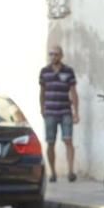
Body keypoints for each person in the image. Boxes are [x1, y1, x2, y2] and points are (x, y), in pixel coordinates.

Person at [38, 45, 79, 182]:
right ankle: (53, 172)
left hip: (65, 111)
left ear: (61, 56)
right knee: (50, 142)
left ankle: (71, 171)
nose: (53, 57)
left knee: (68, 140)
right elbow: (42, 92)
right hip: (50, 111)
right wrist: (42, 108)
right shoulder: (44, 72)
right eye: (51, 54)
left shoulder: (68, 71)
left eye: (56, 54)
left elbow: (73, 92)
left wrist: (76, 112)